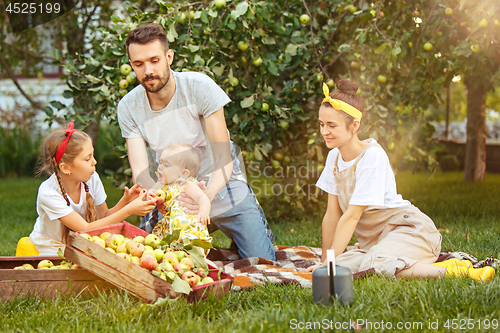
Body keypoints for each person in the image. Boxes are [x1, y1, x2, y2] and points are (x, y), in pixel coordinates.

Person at [305, 81, 495, 282]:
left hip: (411, 232)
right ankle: (408, 261)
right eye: (321, 124)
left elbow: (351, 216)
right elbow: (332, 215)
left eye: (331, 125)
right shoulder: (333, 158)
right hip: (377, 243)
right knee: (343, 266)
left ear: (354, 126)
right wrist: (326, 263)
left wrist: (329, 266)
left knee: (374, 266)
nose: (324, 131)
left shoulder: (372, 157)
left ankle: (460, 271)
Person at [117, 23, 275, 260]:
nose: (147, 70)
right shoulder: (129, 107)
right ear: (132, 65)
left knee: (262, 260)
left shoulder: (200, 87)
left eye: (154, 60)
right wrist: (159, 198)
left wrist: (206, 197)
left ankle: (247, 224)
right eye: (139, 64)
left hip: (220, 182)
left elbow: (223, 157)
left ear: (169, 57)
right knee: (152, 260)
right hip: (171, 186)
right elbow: (140, 172)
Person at [16, 121, 157, 257]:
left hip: (80, 244)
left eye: (93, 155)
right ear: (65, 168)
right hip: (52, 248)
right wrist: (130, 210)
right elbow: (85, 229)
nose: (94, 162)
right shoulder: (48, 193)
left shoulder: (92, 178)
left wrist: (125, 201)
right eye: (87, 158)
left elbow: (103, 218)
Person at [150, 144, 212, 245]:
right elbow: (149, 194)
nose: (160, 167)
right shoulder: (161, 186)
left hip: (188, 230)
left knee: (194, 249)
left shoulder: (186, 185)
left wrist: (204, 211)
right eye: (160, 162)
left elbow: (202, 197)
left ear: (183, 174)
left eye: (166, 165)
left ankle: (202, 259)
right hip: (170, 230)